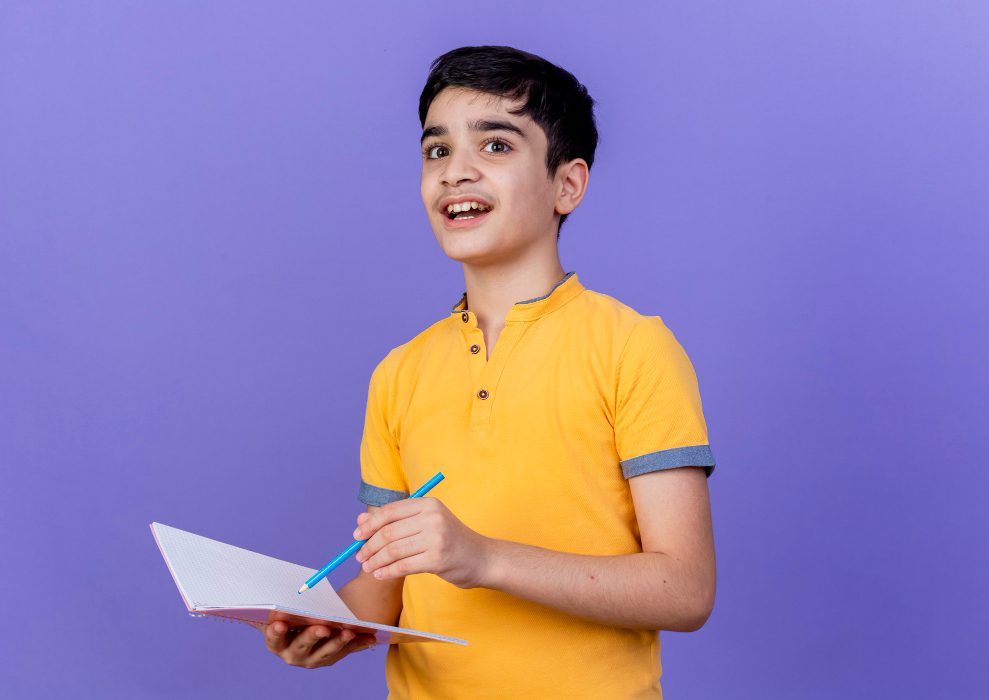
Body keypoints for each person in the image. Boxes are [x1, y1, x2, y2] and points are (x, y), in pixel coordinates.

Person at [263, 45, 717, 699]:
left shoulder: (633, 348)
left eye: (496, 146)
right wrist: (326, 622)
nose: (456, 172)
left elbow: (685, 589)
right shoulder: (399, 373)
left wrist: (483, 558)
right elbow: (385, 589)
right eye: (437, 150)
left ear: (568, 184)